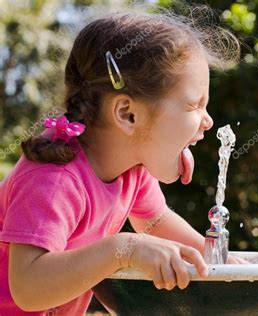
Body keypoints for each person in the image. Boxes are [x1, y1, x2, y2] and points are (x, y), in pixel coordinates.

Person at [0, 10, 244, 315]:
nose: (207, 121)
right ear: (127, 114)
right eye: (194, 105)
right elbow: (28, 289)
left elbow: (155, 222)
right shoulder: (54, 179)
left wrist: (218, 263)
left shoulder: (132, 171)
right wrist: (123, 249)